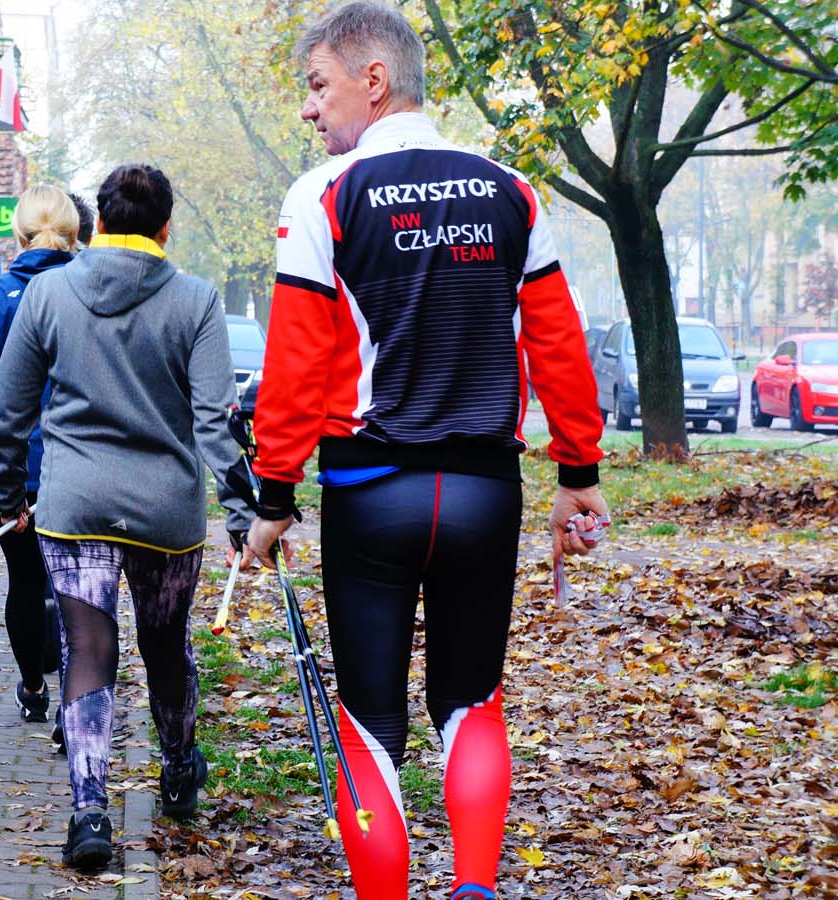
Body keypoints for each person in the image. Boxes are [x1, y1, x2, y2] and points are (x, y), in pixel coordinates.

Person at [244, 4, 610, 900]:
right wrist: (579, 473)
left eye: (317, 85)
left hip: (372, 494)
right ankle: (475, 887)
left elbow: (293, 365)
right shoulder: (512, 190)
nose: (308, 108)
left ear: (374, 80)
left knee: (369, 724)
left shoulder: (323, 194)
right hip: (485, 494)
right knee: (473, 703)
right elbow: (558, 343)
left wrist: (273, 497)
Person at [0, 164, 255, 871]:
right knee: (165, 646)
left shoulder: (47, 294)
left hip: (75, 505)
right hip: (167, 513)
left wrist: (6, 493)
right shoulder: (196, 301)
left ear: (100, 223)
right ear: (166, 228)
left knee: (87, 649)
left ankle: (89, 812)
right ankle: (178, 769)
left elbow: (9, 409)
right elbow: (214, 419)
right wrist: (241, 507)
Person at [0, 185, 78, 730]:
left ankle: (34, 688)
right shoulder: (89, 294)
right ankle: (75, 701)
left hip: (12, 465)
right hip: (77, 466)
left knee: (24, 580)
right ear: (74, 234)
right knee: (75, 586)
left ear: (17, 236)